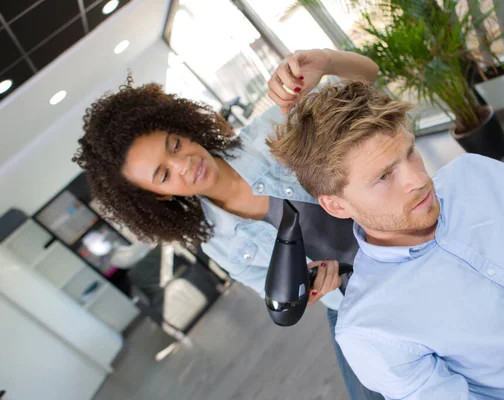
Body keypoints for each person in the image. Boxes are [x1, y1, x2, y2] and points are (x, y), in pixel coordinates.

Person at [72, 49, 383, 400]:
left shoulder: (273, 134)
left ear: (184, 130)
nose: (184, 164)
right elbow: (278, 293)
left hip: (400, 247)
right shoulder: (216, 242)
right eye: (163, 175)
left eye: (174, 145)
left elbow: (367, 77)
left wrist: (326, 62)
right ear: (158, 197)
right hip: (351, 301)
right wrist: (311, 286)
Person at [267, 80, 504, 399]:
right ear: (336, 205)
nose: (417, 179)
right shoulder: (372, 331)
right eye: (384, 176)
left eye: (410, 152)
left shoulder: (475, 173)